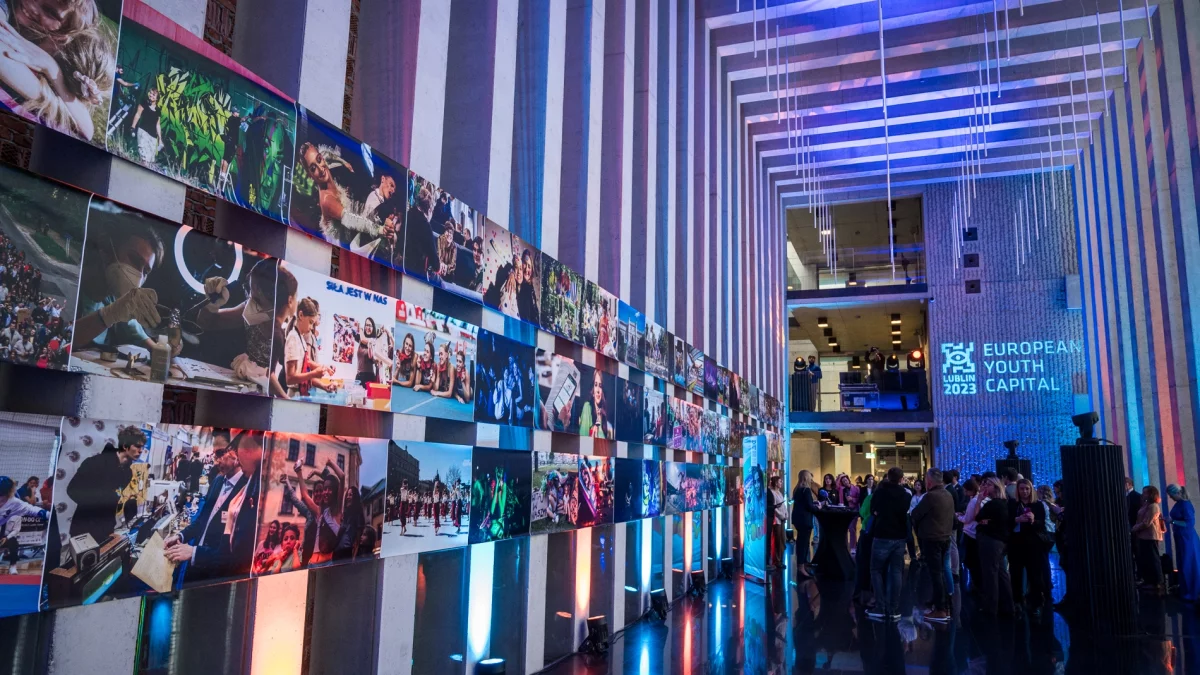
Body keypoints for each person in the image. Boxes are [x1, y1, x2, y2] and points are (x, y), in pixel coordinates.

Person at [163, 445, 245, 582]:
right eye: (215, 456)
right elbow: (202, 520)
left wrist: (195, 553)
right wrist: (180, 536)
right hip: (194, 565)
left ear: (236, 457)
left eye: (220, 455)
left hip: (215, 573)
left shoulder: (245, 489)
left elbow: (234, 552)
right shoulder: (218, 481)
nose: (216, 462)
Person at [64, 425, 143, 544]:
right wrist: (95, 504)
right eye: (137, 446)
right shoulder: (95, 463)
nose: (140, 450)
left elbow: (114, 497)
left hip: (106, 529)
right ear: (125, 445)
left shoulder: (128, 473)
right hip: (84, 528)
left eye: (142, 447)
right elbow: (72, 490)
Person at [909, 468, 955, 621]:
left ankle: (941, 609)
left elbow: (915, 514)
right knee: (941, 571)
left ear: (929, 482)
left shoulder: (931, 496)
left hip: (932, 539)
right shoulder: (947, 494)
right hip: (945, 538)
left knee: (936, 574)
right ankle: (941, 602)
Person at [868, 467, 911, 622]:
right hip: (899, 536)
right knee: (896, 572)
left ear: (888, 477)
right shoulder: (906, 495)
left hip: (882, 535)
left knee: (876, 570)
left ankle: (880, 607)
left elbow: (873, 510)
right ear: (901, 479)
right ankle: (893, 608)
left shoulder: (880, 492)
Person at [975, 478, 1015, 616]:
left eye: (988, 485)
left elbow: (977, 517)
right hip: (1001, 541)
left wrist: (979, 500)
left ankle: (991, 608)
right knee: (1001, 573)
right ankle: (1007, 606)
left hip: (991, 541)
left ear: (996, 487)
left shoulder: (993, 504)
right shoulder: (1004, 503)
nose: (985, 487)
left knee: (990, 574)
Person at [1009, 478, 1049, 612]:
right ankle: (1017, 601)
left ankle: (1036, 602)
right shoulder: (1013, 504)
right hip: (1016, 544)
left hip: (1033, 545)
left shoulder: (1037, 505)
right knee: (1016, 574)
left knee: (1035, 574)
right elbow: (1006, 521)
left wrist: (1033, 520)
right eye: (1022, 489)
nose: (1025, 491)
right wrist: (1016, 519)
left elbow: (1042, 524)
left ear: (1031, 490)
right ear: (1018, 490)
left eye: (1027, 489)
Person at [0, 475, 48, 565]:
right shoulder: (22, 491)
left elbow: (31, 509)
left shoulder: (14, 502)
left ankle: (12, 564)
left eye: (2, 496)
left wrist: (47, 514)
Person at [1166, 485, 1200, 602]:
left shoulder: (1185, 505)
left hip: (1187, 538)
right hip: (1181, 537)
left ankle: (1192, 591)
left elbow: (1189, 523)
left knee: (1188, 563)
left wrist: (1173, 521)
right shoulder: (1180, 504)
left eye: (1171, 495)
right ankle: (1186, 590)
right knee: (1183, 562)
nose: (1170, 497)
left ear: (1177, 493)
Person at [1132, 485, 1166, 593]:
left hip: (1150, 536)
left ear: (1151, 494)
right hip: (1143, 535)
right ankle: (1148, 581)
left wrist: (1134, 528)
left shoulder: (1153, 506)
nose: (1143, 494)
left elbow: (1147, 522)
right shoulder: (1146, 504)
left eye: (1145, 492)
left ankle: (1157, 582)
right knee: (1145, 559)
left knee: (1153, 559)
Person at [791, 470, 819, 567]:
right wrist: (818, 508)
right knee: (803, 543)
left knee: (801, 542)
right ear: (806, 477)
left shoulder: (797, 489)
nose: (811, 479)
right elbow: (809, 506)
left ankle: (803, 563)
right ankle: (801, 565)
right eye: (810, 477)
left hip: (797, 518)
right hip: (805, 520)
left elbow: (802, 503)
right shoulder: (806, 490)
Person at [958, 479, 981, 589]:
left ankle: (974, 584)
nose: (965, 493)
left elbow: (968, 519)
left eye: (966, 491)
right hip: (974, 532)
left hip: (970, 532)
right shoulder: (977, 499)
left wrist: (958, 517)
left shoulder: (973, 501)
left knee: (969, 559)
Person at [579, 369, 613, 439]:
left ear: (602, 391)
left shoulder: (604, 416)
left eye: (600, 386)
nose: (598, 390)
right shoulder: (587, 407)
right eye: (595, 385)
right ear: (593, 390)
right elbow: (582, 440)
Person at [768, 475, 787, 570]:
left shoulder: (779, 492)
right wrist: (782, 515)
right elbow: (775, 508)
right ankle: (777, 560)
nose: (781, 483)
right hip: (777, 520)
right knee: (777, 540)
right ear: (776, 483)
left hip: (782, 519)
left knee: (782, 540)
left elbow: (783, 505)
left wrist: (786, 514)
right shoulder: (772, 493)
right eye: (780, 481)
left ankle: (780, 559)